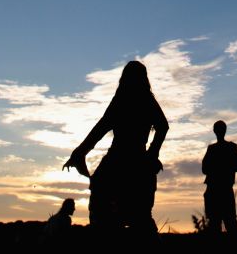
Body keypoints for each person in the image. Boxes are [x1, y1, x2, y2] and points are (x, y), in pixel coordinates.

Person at [63, 61, 168, 235]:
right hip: (136, 158)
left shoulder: (123, 99)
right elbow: (163, 126)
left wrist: (81, 152)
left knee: (104, 208)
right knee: (139, 216)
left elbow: (102, 127)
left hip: (120, 158)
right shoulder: (145, 99)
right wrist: (152, 153)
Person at [201, 120, 237, 234]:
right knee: (222, 223)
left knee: (223, 222)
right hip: (219, 190)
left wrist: (220, 167)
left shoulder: (214, 149)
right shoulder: (228, 148)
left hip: (219, 189)